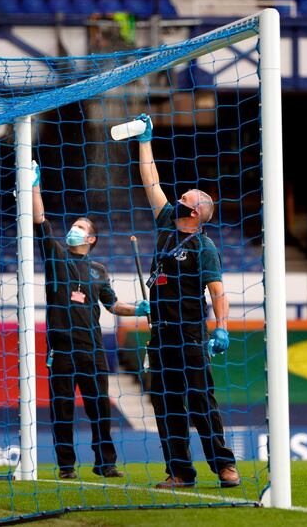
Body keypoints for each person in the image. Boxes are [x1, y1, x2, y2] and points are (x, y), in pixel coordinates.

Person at [133, 114, 240, 489]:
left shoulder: (204, 247)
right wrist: (145, 140)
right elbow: (152, 181)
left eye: (184, 200)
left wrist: (222, 328)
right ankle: (179, 471)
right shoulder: (165, 224)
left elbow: (218, 291)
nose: (176, 199)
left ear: (195, 213)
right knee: (166, 407)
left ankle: (225, 466)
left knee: (201, 403)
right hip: (160, 337)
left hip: (191, 337)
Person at [31, 161, 151, 479]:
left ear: (92, 239)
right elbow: (39, 221)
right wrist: (34, 186)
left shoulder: (99, 271)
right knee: (62, 409)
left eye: (81, 227)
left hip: (93, 349)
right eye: (74, 225)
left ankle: (105, 462)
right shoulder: (56, 257)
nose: (75, 229)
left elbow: (113, 306)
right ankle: (66, 466)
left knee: (100, 407)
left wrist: (139, 309)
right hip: (61, 348)